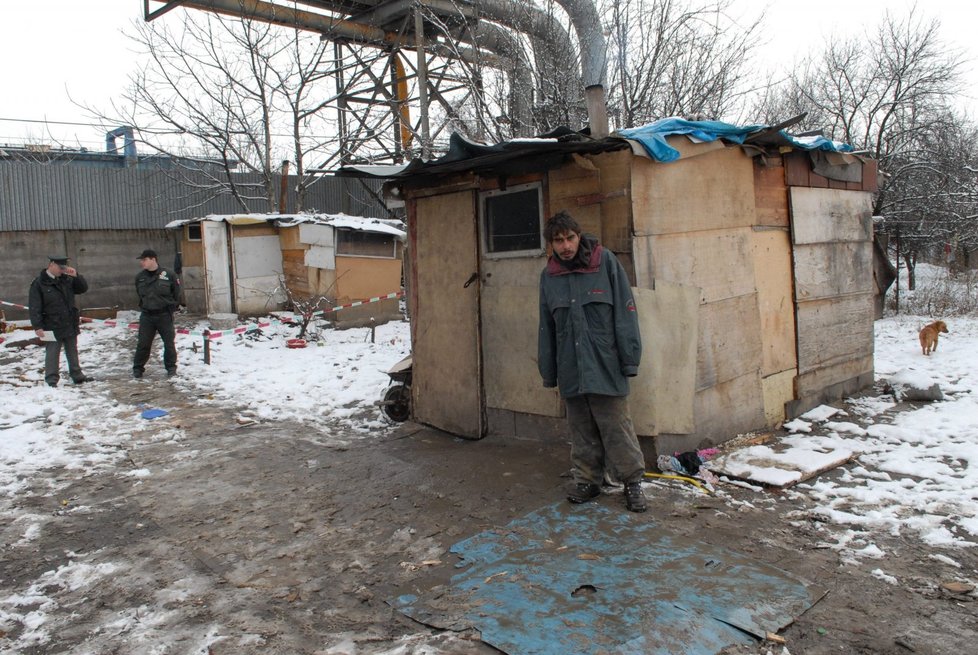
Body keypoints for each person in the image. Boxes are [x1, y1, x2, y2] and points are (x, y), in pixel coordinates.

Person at [537, 211, 648, 513]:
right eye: (558, 241)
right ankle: (588, 481)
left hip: (605, 363)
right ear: (552, 244)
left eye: (570, 238)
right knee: (581, 428)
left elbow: (626, 313)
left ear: (579, 235)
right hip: (571, 366)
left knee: (617, 426)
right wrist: (549, 372)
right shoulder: (549, 276)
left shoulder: (606, 263)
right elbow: (546, 326)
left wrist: (629, 358)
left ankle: (633, 482)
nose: (566, 246)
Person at [28, 255, 92, 387]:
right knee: (52, 353)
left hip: (68, 322)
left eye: (64, 267)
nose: (62, 270)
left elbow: (82, 289)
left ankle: (77, 375)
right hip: (51, 323)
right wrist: (37, 326)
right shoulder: (39, 283)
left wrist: (76, 276)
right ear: (51, 264)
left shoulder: (67, 279)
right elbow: (35, 306)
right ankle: (51, 380)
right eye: (60, 267)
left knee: (72, 351)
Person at [133, 249, 183, 378]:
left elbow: (176, 292)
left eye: (144, 260)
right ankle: (138, 368)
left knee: (169, 343)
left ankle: (171, 368)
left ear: (153, 259)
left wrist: (170, 307)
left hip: (164, 315)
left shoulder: (168, 274)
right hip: (147, 315)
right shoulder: (140, 277)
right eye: (141, 260)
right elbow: (140, 295)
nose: (142, 263)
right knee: (143, 343)